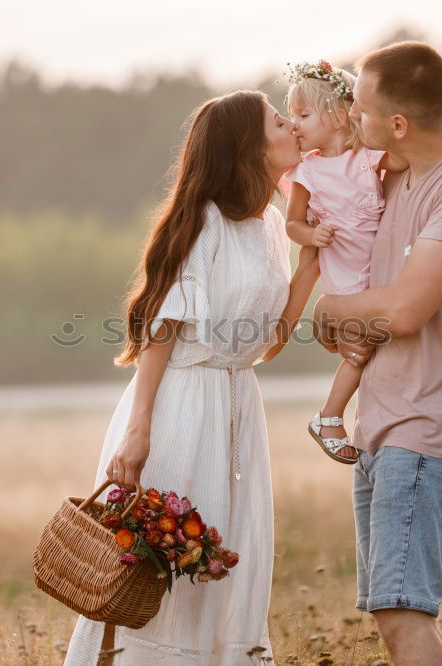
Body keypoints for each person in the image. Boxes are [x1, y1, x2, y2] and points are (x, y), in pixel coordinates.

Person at [63, 90, 318, 665]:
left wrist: (312, 266)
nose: (293, 127)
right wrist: (139, 428)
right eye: (280, 121)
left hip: (236, 404)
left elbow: (271, 342)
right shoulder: (202, 223)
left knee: (227, 555)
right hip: (182, 403)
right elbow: (162, 329)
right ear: (249, 147)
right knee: (170, 563)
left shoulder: (273, 226)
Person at [312, 42, 442, 665]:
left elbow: (403, 312)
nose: (355, 121)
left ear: (399, 123)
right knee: (391, 614)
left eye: (364, 111)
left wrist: (325, 312)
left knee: (405, 616)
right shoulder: (396, 170)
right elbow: (330, 158)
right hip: (385, 429)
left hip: (428, 433)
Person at [282, 59, 408, 464]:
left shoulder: (366, 158)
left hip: (380, 274)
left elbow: (404, 160)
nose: (294, 124)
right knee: (359, 352)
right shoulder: (308, 171)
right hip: (346, 280)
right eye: (290, 116)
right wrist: (311, 235)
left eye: (303, 115)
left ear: (339, 116)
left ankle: (356, 418)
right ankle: (329, 416)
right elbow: (293, 224)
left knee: (373, 346)